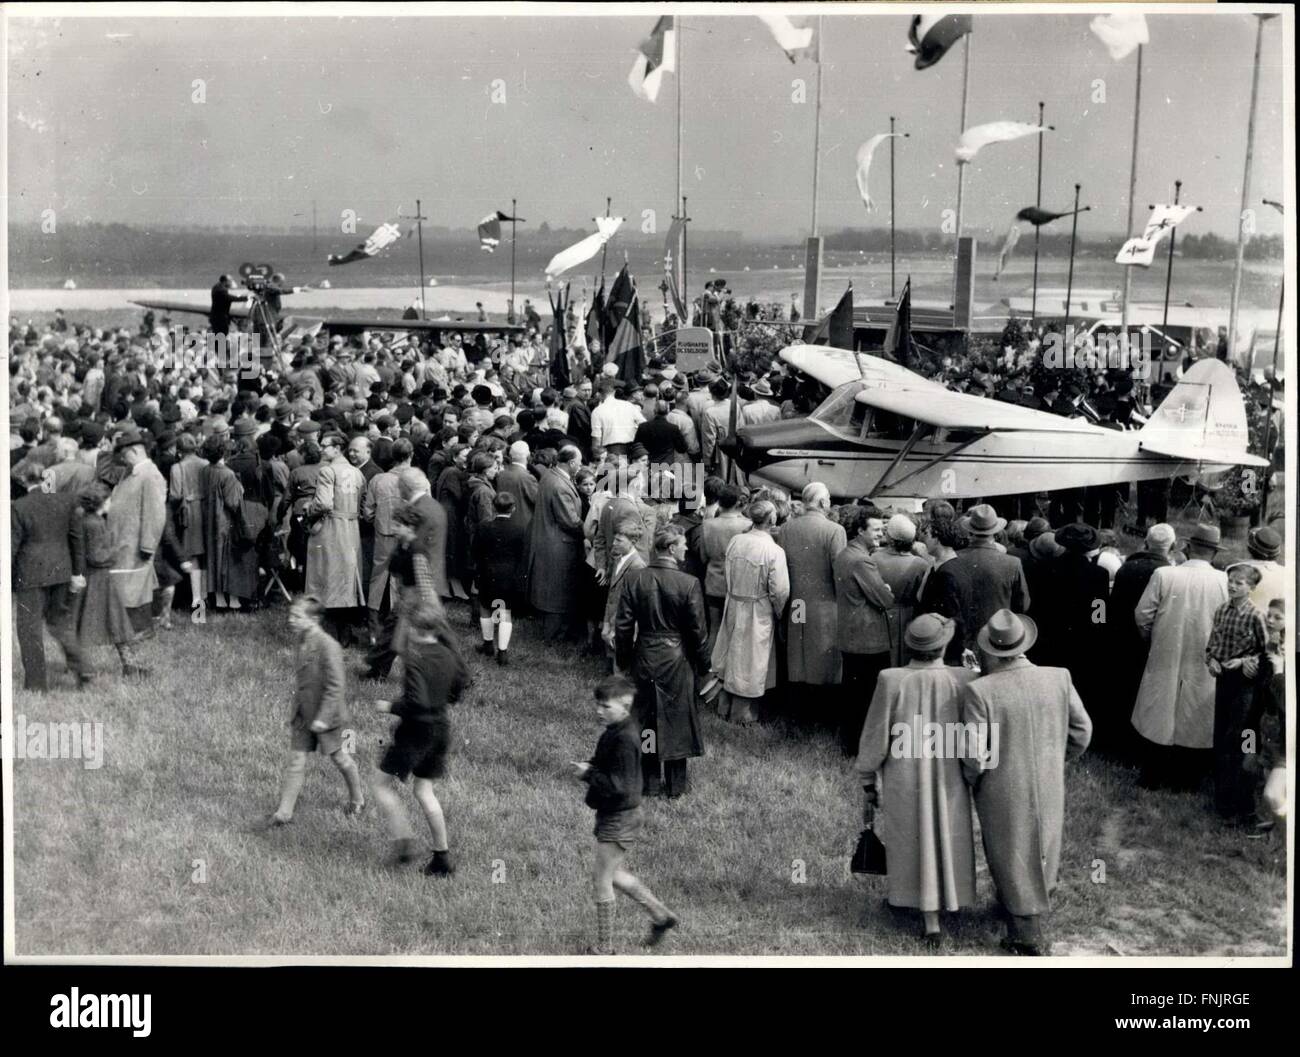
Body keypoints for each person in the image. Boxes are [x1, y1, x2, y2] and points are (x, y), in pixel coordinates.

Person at [960, 610, 1092, 955]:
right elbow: (1082, 731)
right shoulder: (1059, 677)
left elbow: (974, 754)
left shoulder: (980, 691)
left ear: (990, 649)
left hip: (1000, 784)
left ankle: (1026, 933)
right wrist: (1055, 759)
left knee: (1008, 847)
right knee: (1044, 840)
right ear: (1023, 645)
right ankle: (1020, 905)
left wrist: (971, 779)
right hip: (1048, 777)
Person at [857, 614, 978, 945]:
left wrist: (869, 778)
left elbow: (876, 733)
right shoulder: (965, 678)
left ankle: (923, 913)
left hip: (904, 773)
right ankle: (947, 903)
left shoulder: (891, 679)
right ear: (944, 645)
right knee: (947, 834)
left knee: (910, 836)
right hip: (949, 775)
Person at [570, 675, 679, 955]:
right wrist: (592, 766)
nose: (598, 711)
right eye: (598, 705)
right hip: (619, 814)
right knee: (614, 874)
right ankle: (661, 917)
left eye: (605, 706)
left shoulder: (625, 739)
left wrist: (588, 774)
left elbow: (618, 785)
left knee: (602, 880)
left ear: (625, 705)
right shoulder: (617, 729)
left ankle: (604, 949)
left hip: (620, 816)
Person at [372, 602, 469, 876]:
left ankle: (403, 841)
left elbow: (416, 703)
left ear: (414, 629)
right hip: (440, 728)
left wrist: (389, 706)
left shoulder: (416, 660)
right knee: (424, 791)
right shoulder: (449, 655)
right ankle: (441, 858)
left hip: (416, 732)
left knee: (381, 785)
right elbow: (458, 688)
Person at [615, 524, 710, 799]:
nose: (686, 548)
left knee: (647, 720)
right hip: (677, 659)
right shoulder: (689, 583)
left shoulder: (636, 579)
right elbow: (698, 632)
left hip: (644, 655)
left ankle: (650, 783)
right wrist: (704, 665)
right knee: (677, 721)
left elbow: (623, 626)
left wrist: (623, 660)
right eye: (682, 544)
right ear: (671, 548)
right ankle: (676, 787)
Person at [1132, 523, 1229, 791]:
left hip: (1167, 649)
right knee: (1196, 711)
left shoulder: (1164, 575)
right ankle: (1186, 778)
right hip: (1204, 653)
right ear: (1214, 553)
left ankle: (1152, 774)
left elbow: (1142, 615)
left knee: (1159, 707)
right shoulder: (1224, 581)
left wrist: (1152, 638)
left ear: (1187, 547)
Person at [268, 596, 366, 826]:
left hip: (327, 717)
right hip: (304, 713)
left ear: (314, 620)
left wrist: (323, 719)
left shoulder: (328, 646)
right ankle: (284, 813)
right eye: (291, 615)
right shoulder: (301, 640)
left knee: (341, 759)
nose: (291, 621)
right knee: (296, 760)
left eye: (297, 617)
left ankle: (358, 798)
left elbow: (336, 686)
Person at [711, 499, 791, 724]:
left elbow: (727, 574)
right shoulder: (774, 550)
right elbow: (780, 590)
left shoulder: (736, 541)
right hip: (757, 608)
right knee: (752, 661)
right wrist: (777, 612)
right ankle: (743, 714)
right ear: (772, 519)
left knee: (732, 655)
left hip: (735, 602)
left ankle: (725, 707)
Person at [11, 460, 87, 690]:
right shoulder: (67, 501)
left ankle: (36, 684)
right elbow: (77, 539)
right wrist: (78, 572)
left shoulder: (19, 507)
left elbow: (11, 546)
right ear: (44, 478)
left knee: (29, 629)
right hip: (62, 572)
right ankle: (84, 668)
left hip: (30, 574)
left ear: (23, 480)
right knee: (60, 622)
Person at [1206, 564, 1268, 825]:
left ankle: (1241, 805)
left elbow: (1267, 653)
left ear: (1252, 588)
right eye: (1231, 581)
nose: (1233, 586)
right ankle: (1222, 801)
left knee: (1239, 738)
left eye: (1240, 583)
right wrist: (1211, 660)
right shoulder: (1222, 610)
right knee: (1221, 736)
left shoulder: (1256, 615)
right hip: (1224, 680)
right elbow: (1212, 644)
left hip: (1246, 685)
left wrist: (1244, 663)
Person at [69, 483, 149, 678]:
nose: (111, 502)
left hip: (96, 580)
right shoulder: (94, 524)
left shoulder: (89, 520)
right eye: (109, 499)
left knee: (97, 623)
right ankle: (126, 666)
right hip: (98, 580)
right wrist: (116, 550)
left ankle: (126, 666)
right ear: (101, 502)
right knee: (113, 623)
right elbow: (95, 556)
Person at [832, 508, 895, 753]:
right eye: (876, 529)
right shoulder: (862, 560)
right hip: (868, 638)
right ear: (860, 530)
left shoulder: (845, 554)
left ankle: (851, 743)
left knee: (853, 694)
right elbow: (885, 599)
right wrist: (886, 589)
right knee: (867, 696)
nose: (881, 533)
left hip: (851, 633)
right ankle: (863, 745)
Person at [930, 503, 1029, 657]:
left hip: (961, 644)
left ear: (970, 530)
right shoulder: (1012, 563)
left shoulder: (954, 559)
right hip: (998, 639)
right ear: (995, 532)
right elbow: (1022, 605)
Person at [781, 482, 847, 698]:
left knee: (798, 646)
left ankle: (798, 695)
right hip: (825, 603)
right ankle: (821, 701)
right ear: (822, 502)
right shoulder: (835, 530)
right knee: (822, 650)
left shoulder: (787, 528)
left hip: (797, 600)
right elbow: (840, 570)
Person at [306, 431, 366, 645]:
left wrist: (308, 509)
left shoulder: (327, 471)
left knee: (328, 578)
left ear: (337, 448)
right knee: (347, 580)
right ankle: (345, 633)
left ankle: (331, 634)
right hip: (352, 528)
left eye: (325, 445)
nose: (322, 448)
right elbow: (364, 504)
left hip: (332, 527)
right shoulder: (357, 473)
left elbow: (323, 503)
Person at [528, 444, 587, 641]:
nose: (580, 466)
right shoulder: (560, 486)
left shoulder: (551, 476)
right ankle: (554, 636)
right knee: (558, 590)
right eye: (578, 463)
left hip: (550, 540)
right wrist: (591, 531)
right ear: (571, 463)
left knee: (552, 589)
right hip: (560, 545)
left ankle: (553, 633)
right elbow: (570, 521)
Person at [472, 492, 529, 665]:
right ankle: (502, 652)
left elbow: (475, 552)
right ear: (513, 508)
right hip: (509, 575)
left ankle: (488, 643)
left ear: (493, 507)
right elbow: (522, 555)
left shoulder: (483, 527)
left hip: (487, 573)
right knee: (505, 612)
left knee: (485, 607)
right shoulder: (520, 529)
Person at [872, 513, 930, 667]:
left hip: (879, 616)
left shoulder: (874, 558)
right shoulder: (921, 564)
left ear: (890, 538)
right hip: (907, 617)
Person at [601, 518, 646, 672]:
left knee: (622, 667)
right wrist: (606, 623)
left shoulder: (637, 566)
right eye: (614, 539)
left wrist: (614, 628)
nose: (614, 543)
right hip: (613, 623)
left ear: (633, 541)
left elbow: (633, 605)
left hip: (623, 626)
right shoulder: (618, 559)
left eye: (619, 540)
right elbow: (612, 594)